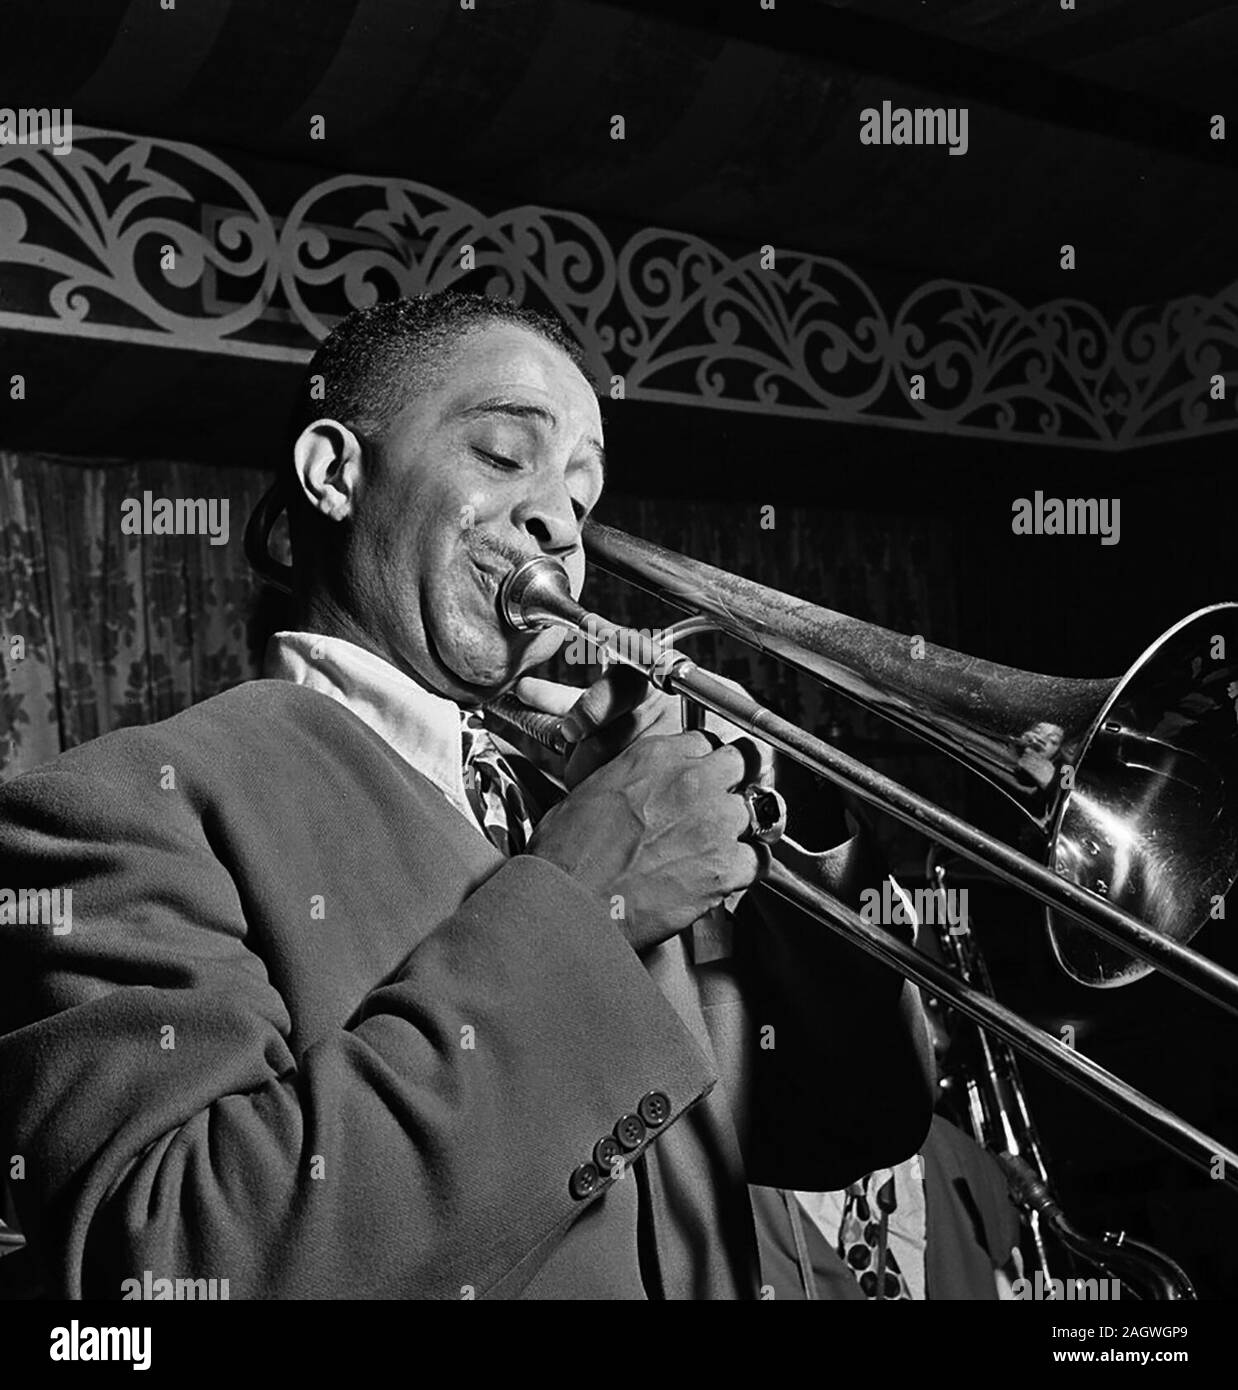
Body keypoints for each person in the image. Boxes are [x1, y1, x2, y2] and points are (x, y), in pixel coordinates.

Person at [0, 292, 933, 1300]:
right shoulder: (112, 804)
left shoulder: (595, 794)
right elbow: (172, 1261)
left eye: (582, 495)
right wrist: (581, 904)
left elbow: (853, 1120)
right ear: (334, 472)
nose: (560, 524)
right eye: (500, 454)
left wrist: (795, 810)